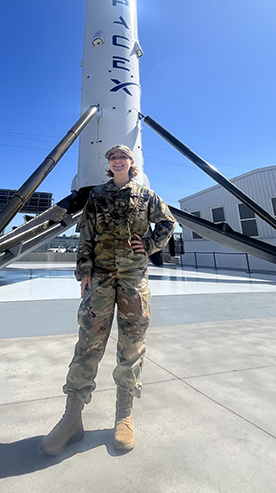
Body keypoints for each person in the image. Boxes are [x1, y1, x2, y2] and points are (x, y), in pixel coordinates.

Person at [41, 144, 175, 455]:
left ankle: (124, 417)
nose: (117, 160)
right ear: (109, 164)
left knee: (131, 347)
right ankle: (71, 419)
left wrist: (152, 244)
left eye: (122, 157)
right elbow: (85, 232)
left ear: (131, 163)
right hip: (100, 277)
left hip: (133, 278)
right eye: (112, 157)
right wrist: (84, 269)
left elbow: (168, 222)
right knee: (87, 345)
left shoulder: (146, 196)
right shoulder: (97, 196)